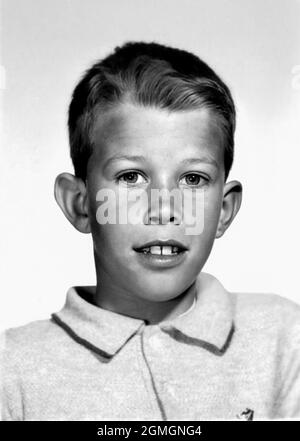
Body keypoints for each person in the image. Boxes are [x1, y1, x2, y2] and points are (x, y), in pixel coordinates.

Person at [1, 41, 300, 421]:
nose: (164, 208)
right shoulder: (12, 372)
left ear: (223, 210)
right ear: (80, 204)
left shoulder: (285, 341)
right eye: (131, 176)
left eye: (192, 178)